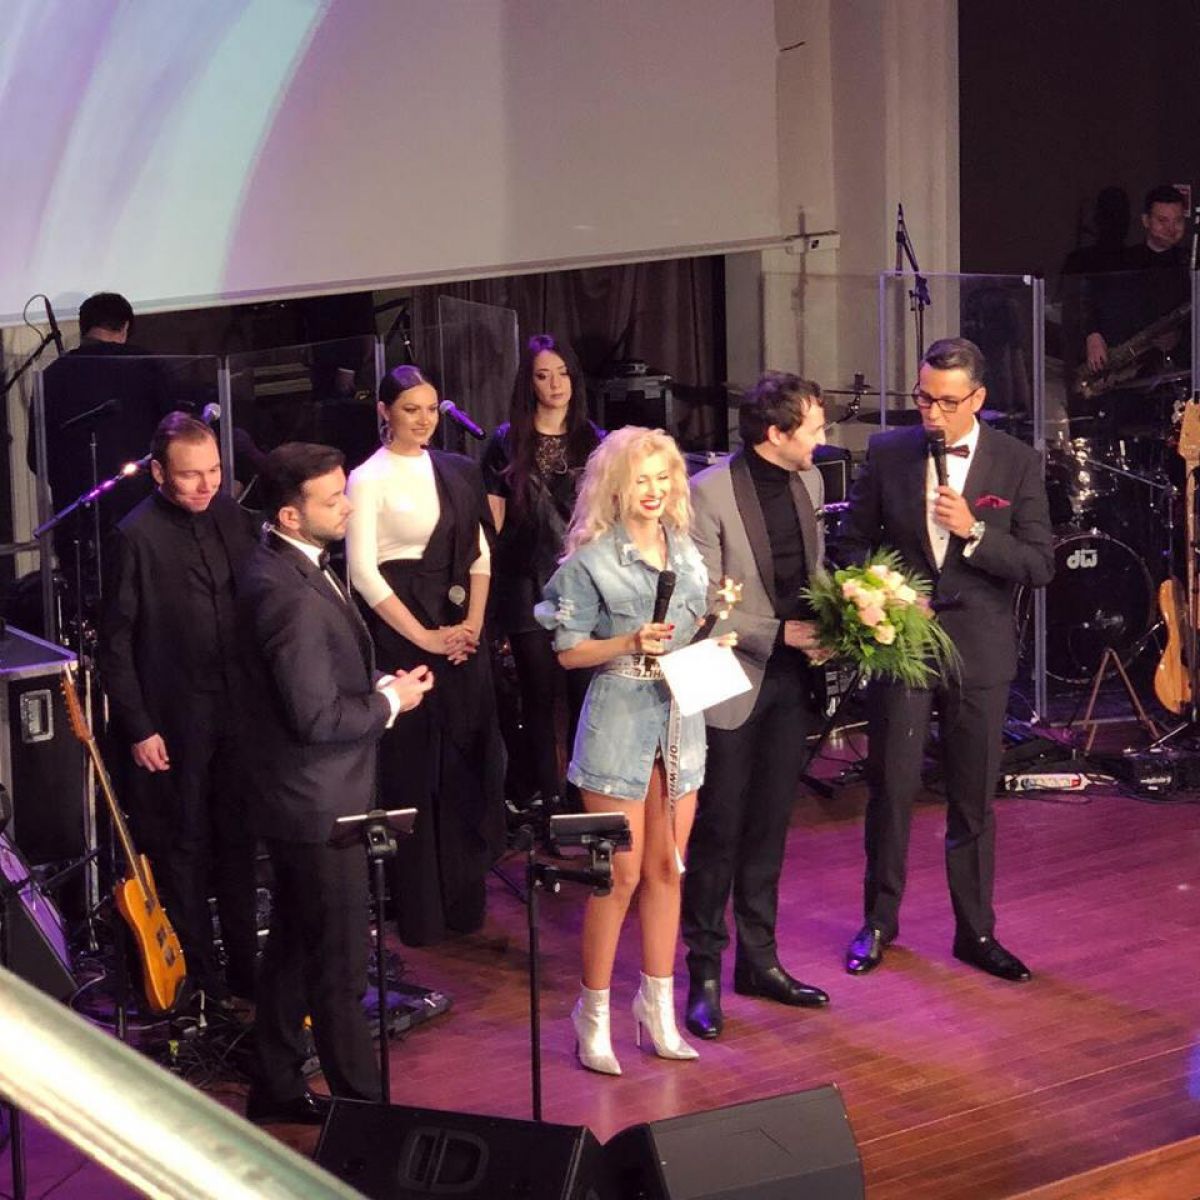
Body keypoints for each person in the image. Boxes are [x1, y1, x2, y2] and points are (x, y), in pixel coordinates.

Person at [837, 337, 1053, 983]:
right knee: (891, 789)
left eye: (947, 402)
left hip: (979, 648)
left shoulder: (1017, 461)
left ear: (977, 398)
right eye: (924, 398)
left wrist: (975, 532)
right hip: (903, 643)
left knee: (972, 798)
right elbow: (850, 544)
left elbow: (1039, 564)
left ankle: (976, 931)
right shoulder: (888, 451)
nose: (932, 413)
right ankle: (879, 921)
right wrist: (886, 593)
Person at [239, 442, 433, 1123]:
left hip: (308, 799)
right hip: (318, 807)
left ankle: (274, 1084)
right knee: (341, 968)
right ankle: (366, 1119)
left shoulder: (288, 567)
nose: (349, 506)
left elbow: (321, 681)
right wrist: (390, 704)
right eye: (333, 499)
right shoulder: (284, 593)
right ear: (291, 515)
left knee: (295, 948)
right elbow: (316, 717)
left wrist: (378, 684)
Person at [536, 426, 711, 1076]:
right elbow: (567, 650)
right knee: (620, 876)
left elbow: (696, 621)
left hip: (680, 716)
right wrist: (629, 642)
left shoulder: (684, 546)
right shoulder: (590, 562)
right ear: (616, 485)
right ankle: (592, 1014)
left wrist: (710, 642)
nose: (654, 490)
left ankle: (656, 1009)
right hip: (618, 719)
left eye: (663, 478)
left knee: (668, 868)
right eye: (642, 479)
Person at [681, 373, 831, 1041]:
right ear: (776, 434)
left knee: (771, 824)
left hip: (792, 680)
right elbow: (700, 604)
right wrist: (781, 633)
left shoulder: (811, 482)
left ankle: (759, 961)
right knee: (719, 828)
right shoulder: (707, 493)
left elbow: (812, 573)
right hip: (728, 676)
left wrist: (845, 617)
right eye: (814, 428)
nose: (822, 439)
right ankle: (704, 972)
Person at [98, 412, 260, 1010]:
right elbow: (115, 643)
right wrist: (140, 727)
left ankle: (246, 973)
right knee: (184, 848)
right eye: (191, 474)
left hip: (237, 712)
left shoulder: (232, 517)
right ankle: (202, 983)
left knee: (239, 842)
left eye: (213, 470)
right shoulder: (134, 535)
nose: (206, 484)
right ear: (159, 472)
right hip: (174, 717)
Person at [345, 365, 505, 947]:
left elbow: (480, 553)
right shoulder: (366, 478)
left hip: (462, 634)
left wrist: (472, 626)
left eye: (431, 409)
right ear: (385, 412)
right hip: (403, 633)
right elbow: (363, 573)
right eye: (411, 409)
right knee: (413, 769)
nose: (424, 420)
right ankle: (419, 910)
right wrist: (426, 637)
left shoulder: (457, 470)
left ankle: (465, 896)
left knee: (466, 761)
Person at [482, 334, 604, 810]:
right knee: (537, 692)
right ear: (529, 383)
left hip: (582, 582)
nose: (555, 384)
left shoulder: (593, 440)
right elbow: (491, 525)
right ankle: (544, 798)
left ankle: (580, 798)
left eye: (562, 373)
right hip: (524, 581)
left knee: (581, 692)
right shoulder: (506, 441)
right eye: (543, 375)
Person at [30, 292, 170, 532]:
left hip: (76, 514)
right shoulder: (149, 366)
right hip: (143, 512)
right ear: (125, 327)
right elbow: (172, 432)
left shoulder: (51, 376)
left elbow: (37, 457)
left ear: (83, 328)